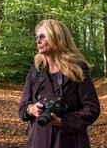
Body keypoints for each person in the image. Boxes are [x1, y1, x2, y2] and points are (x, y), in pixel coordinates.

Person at [18, 19, 100, 148]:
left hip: (70, 140)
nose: (37, 41)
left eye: (43, 37)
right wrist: (31, 109)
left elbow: (92, 109)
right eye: (37, 37)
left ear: (57, 38)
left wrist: (63, 122)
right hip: (39, 140)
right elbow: (22, 106)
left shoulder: (77, 69)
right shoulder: (36, 70)